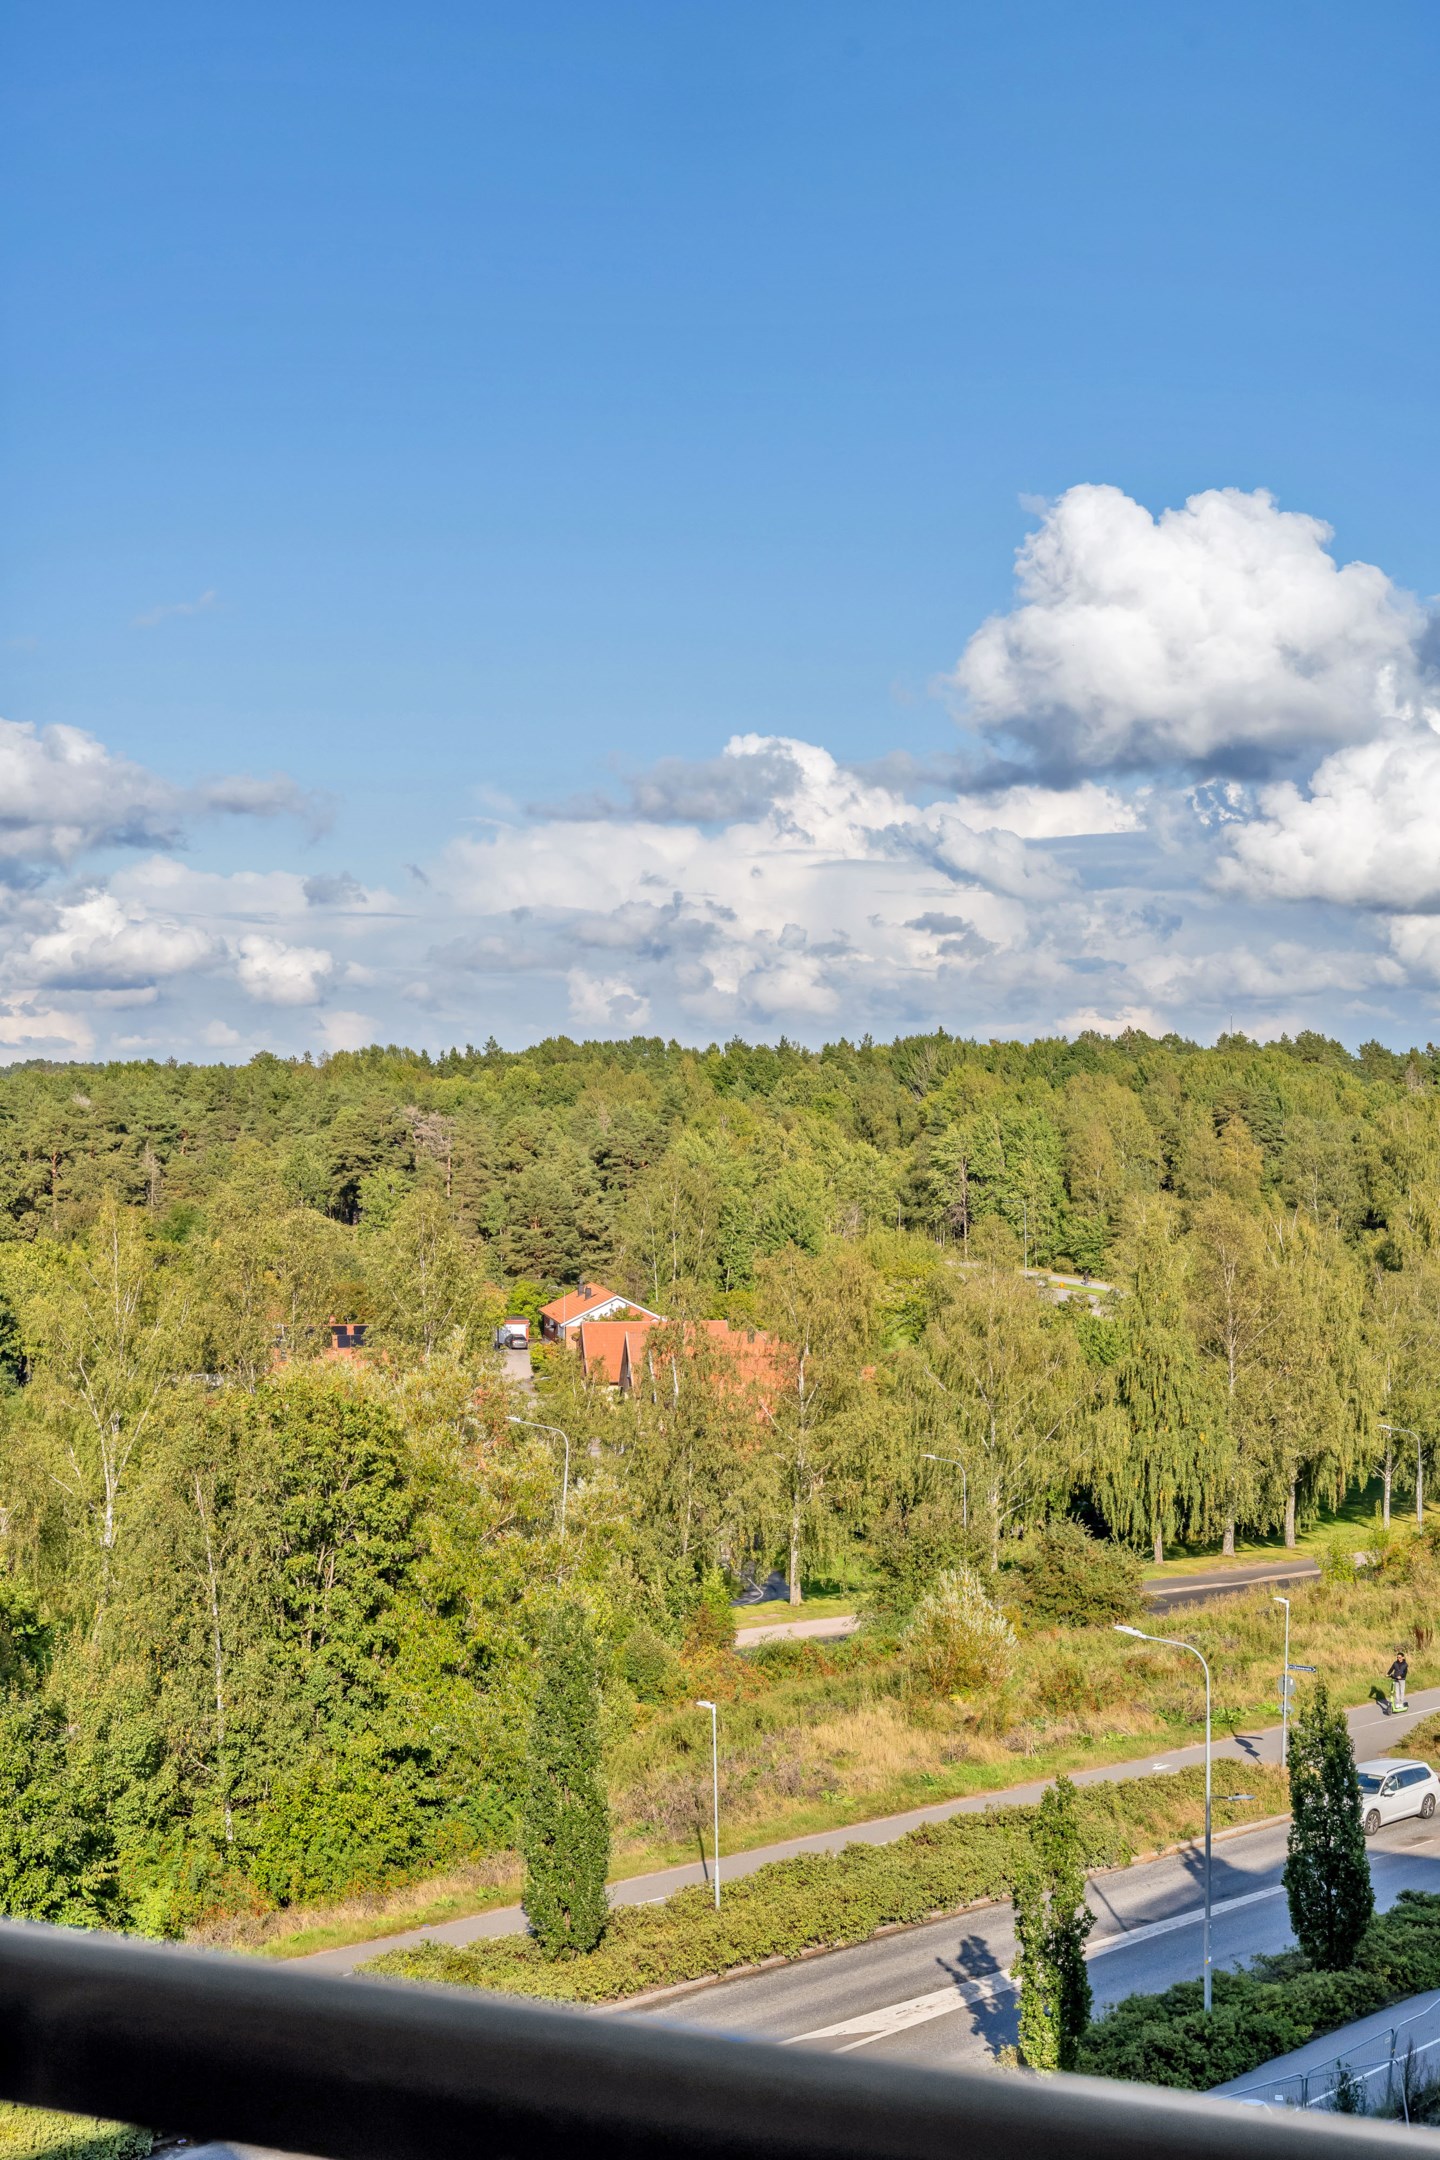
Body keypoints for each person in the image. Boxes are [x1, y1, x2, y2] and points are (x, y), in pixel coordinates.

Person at [1389, 1649, 1409, 1713]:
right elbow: (1391, 1669)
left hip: (1402, 1680)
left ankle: (1401, 1703)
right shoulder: (1395, 1663)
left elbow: (1405, 1672)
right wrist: (1388, 1674)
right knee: (1396, 1691)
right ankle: (1397, 1703)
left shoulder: (1405, 1664)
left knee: (1402, 1691)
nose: (1398, 1658)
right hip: (1396, 1679)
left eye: (1400, 1657)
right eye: (1397, 1657)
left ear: (1403, 1657)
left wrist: (1401, 1676)